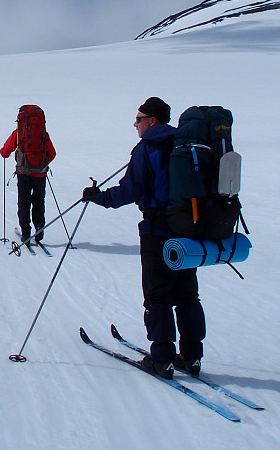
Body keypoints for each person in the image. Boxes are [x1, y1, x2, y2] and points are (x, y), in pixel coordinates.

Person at [80, 97, 205, 379]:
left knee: (157, 294)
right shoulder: (186, 146)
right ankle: (190, 355)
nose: (135, 124)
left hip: (157, 231)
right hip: (188, 231)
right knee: (187, 294)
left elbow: (130, 191)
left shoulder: (147, 149)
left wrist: (99, 197)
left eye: (139, 119)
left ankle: (161, 359)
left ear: (152, 121)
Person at [0, 108, 57, 246]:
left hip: (23, 174)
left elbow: (5, 153)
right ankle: (39, 228)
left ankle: (26, 232)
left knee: (24, 202)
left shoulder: (19, 134)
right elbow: (53, 153)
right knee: (39, 201)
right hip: (40, 175)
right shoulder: (44, 135)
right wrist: (42, 164)